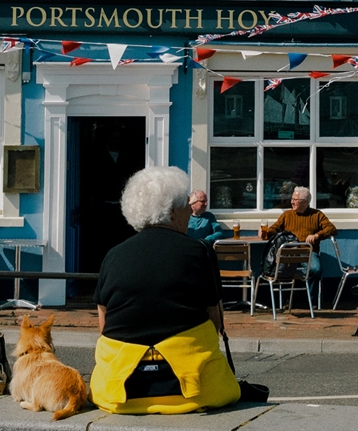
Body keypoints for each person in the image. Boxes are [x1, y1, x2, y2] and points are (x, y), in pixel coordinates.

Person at [90, 165, 243, 413]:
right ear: (173, 212)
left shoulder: (113, 255)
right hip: (193, 389)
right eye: (186, 206)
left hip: (119, 393)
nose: (189, 212)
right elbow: (216, 321)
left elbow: (103, 324)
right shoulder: (200, 251)